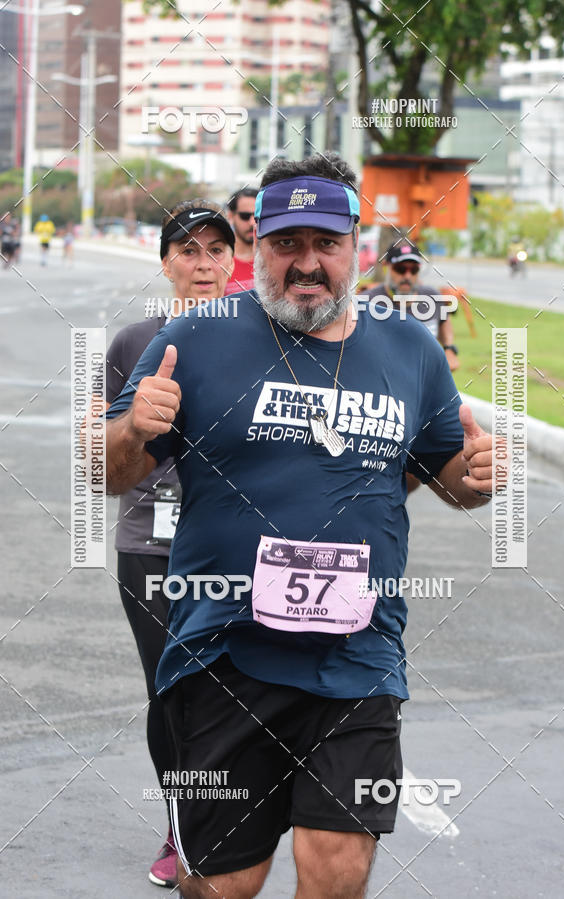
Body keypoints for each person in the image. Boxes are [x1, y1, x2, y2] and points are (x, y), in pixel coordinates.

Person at [105, 152, 497, 899]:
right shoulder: (201, 337)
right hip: (225, 652)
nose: (307, 263)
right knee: (222, 885)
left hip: (359, 656)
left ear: (357, 245)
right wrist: (130, 434)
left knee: (337, 869)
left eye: (327, 242)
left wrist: (474, 480)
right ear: (261, 249)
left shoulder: (409, 348)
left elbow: (450, 472)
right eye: (287, 243)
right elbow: (110, 470)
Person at [105, 199, 235, 889]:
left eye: (217, 249)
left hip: (234, 552)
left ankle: (221, 816)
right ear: (166, 263)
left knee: (227, 694)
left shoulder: (265, 340)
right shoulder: (132, 343)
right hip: (150, 548)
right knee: (170, 697)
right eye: (189, 249)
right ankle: (183, 824)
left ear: (234, 261)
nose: (204, 262)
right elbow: (99, 458)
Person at [367, 241, 459, 372]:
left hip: (425, 382)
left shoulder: (433, 297)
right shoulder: (367, 302)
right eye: (400, 269)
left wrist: (449, 348)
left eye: (414, 270)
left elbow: (444, 321)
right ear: (386, 266)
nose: (407, 276)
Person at [226, 187, 257, 293]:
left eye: (257, 216)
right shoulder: (219, 262)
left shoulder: (274, 259)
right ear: (230, 216)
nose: (252, 222)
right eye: (245, 216)